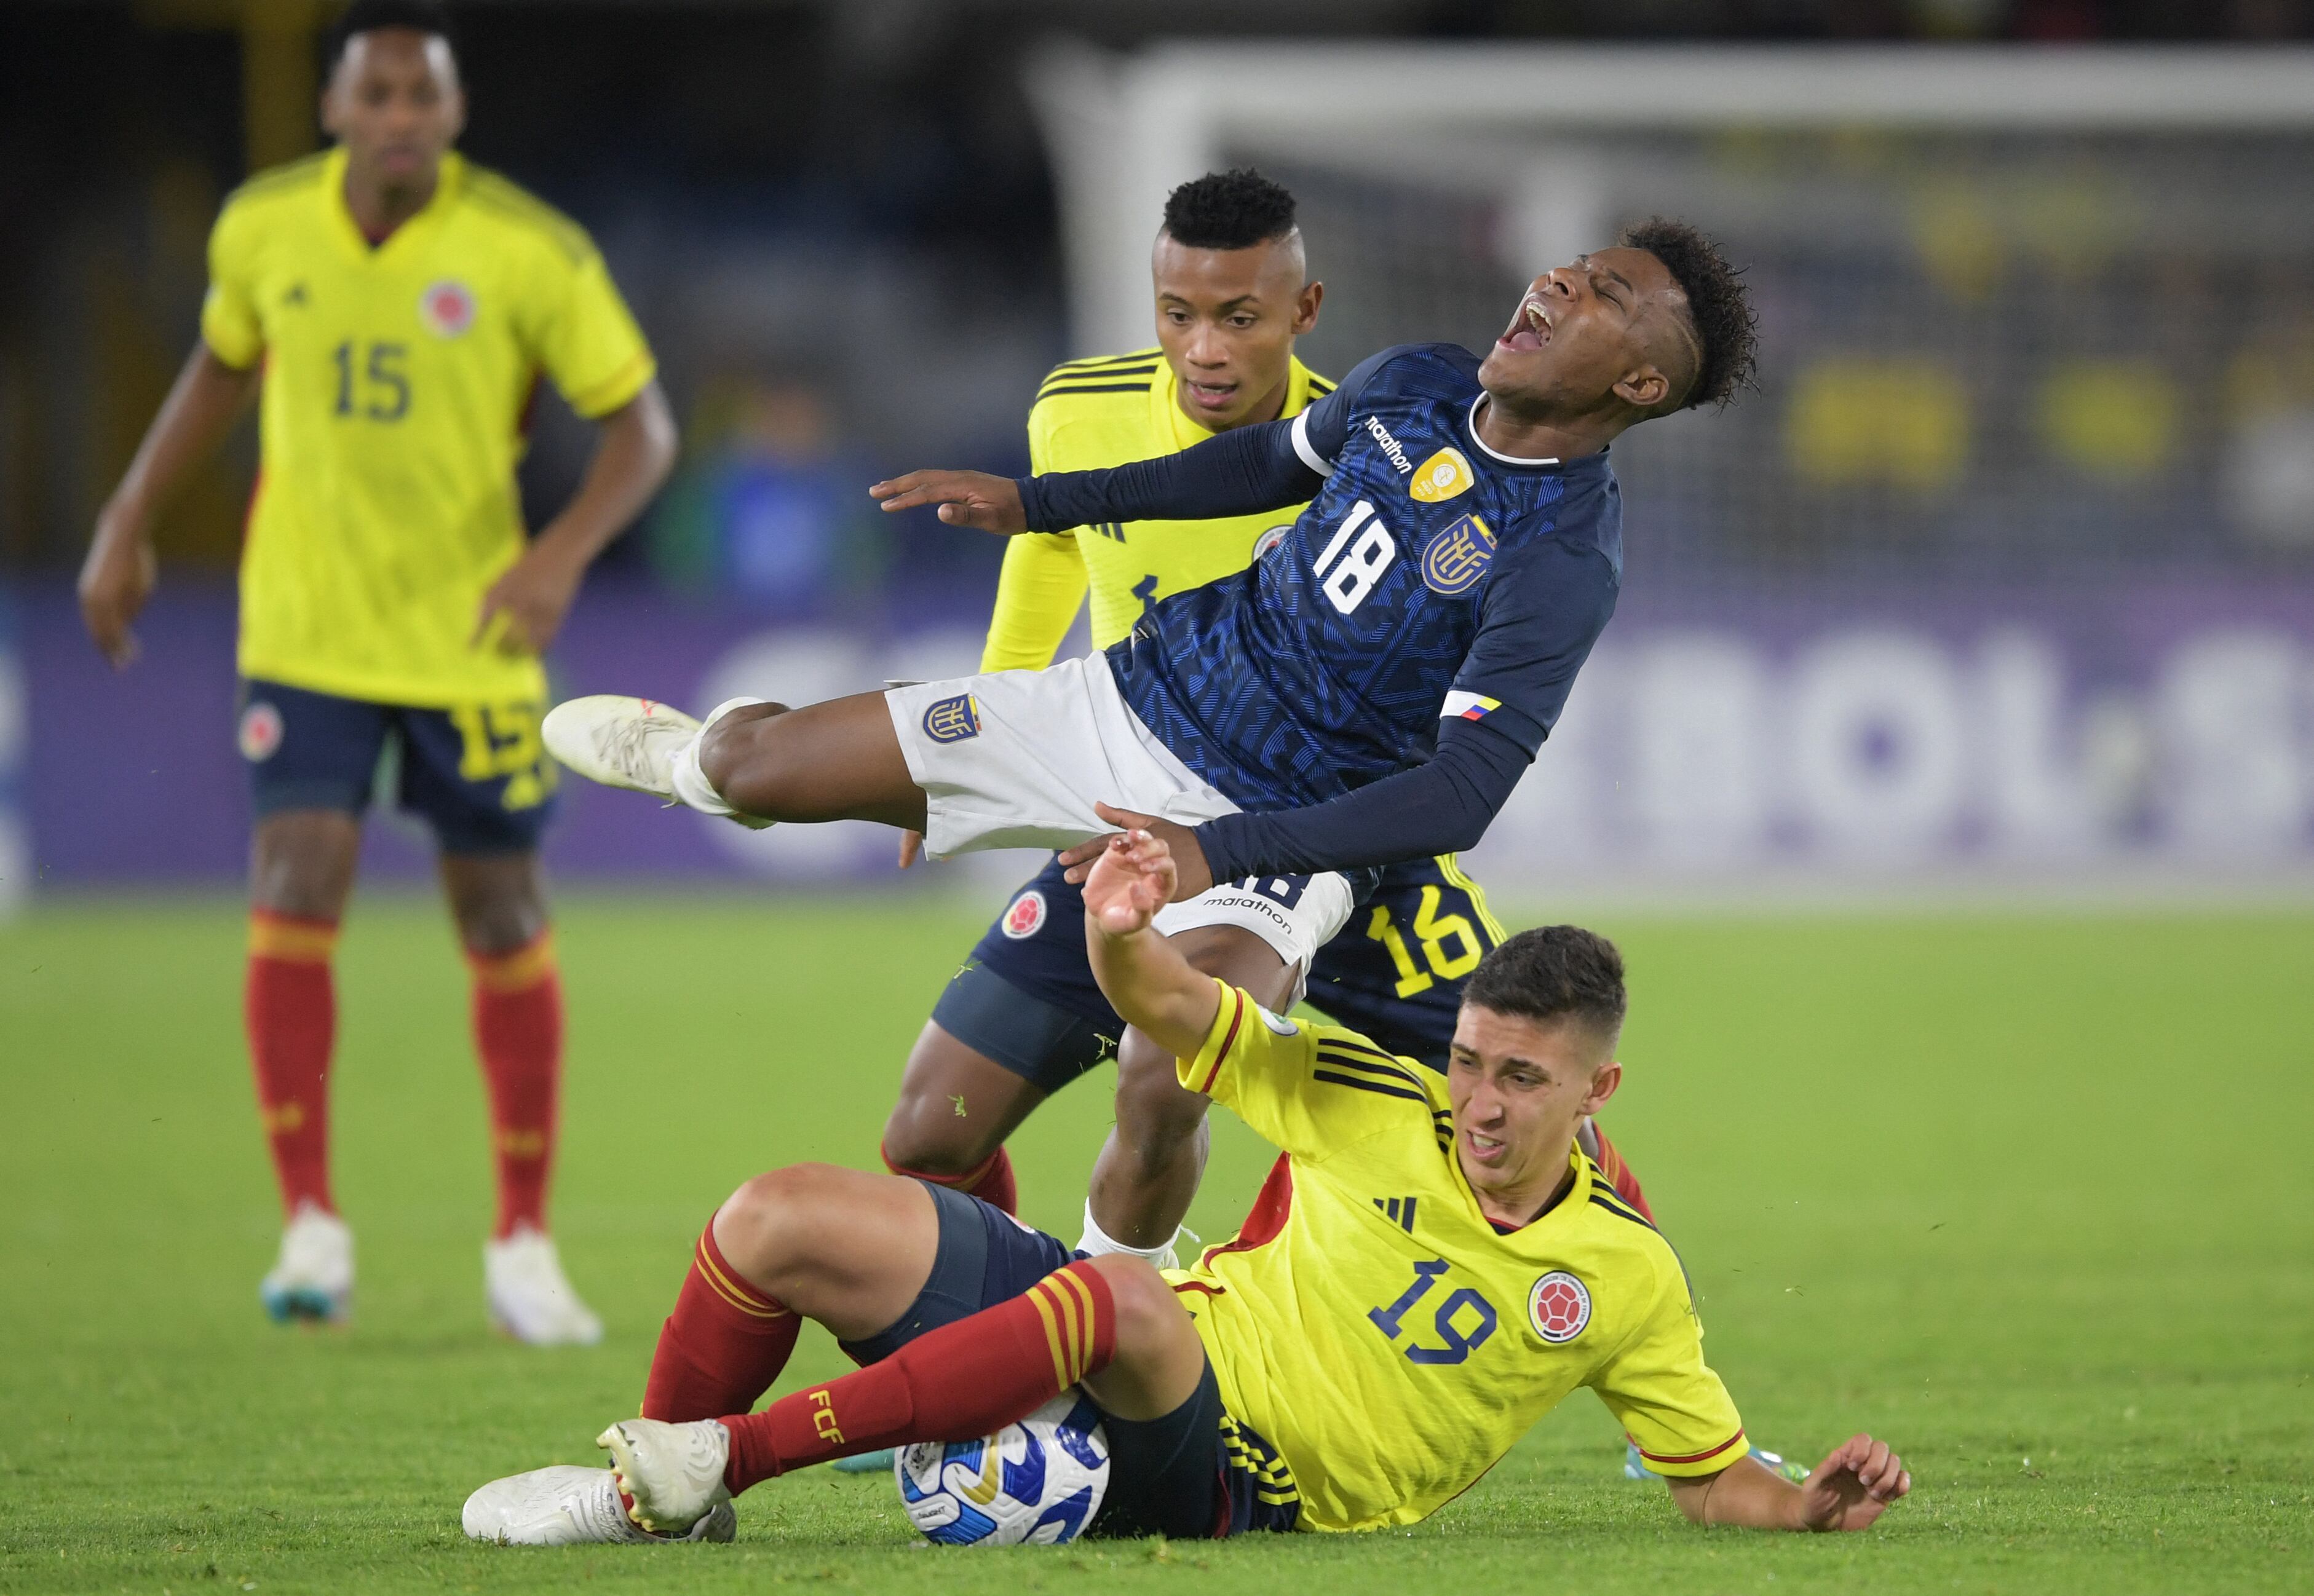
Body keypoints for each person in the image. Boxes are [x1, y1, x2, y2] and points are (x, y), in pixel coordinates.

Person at [544, 216, 1753, 1262]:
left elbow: (1463, 792)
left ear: (1639, 385)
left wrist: (1212, 851)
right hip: (1131, 699)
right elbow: (1259, 466)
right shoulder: (1414, 381)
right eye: (1573, 267)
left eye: (1604, 295)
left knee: (1163, 1068)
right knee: (879, 1034)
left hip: (1279, 840)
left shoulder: (1560, 557)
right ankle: (689, 762)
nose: (1556, 282)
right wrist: (1041, 502)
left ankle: (1115, 1317)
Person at [461, 828, 1908, 1544]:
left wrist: (1810, 1503)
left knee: (1126, 1304)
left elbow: (1713, 1475)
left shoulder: (1625, 1275)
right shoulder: (1370, 1097)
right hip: (1132, 1329)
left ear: (1596, 1093)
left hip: (1229, 1472)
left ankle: (700, 1466)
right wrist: (1116, 927)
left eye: (1519, 1081)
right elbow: (1170, 1008)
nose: (1475, 1101)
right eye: (1467, 1060)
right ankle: (687, 1484)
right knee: (776, 1211)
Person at [877, 170, 1654, 1270]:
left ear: (1303, 313)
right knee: (926, 1133)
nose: (1207, 350)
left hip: (1328, 844)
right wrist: (968, 754)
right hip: (1136, 798)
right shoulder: (1077, 410)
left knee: (1525, 1095)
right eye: (1180, 316)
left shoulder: (1386, 437)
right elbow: (1048, 547)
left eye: (1240, 320)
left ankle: (1661, 1350)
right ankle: (999, 1359)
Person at [76, 0, 676, 1341]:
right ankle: (310, 1223)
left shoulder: (527, 249)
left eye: (425, 96)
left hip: (471, 640)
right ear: (336, 107)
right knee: (294, 879)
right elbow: (218, 372)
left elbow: (641, 428)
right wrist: (124, 518)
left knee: (502, 913)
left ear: (454, 114)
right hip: (304, 627)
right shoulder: (262, 227)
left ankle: (522, 1240)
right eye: (379, 95)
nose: (401, 117)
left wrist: (564, 553)